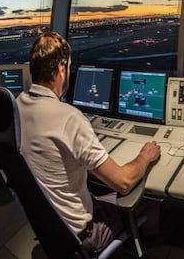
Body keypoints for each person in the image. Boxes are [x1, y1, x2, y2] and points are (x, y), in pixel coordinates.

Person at [16, 31, 161, 253]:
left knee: (99, 189)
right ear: (62, 70)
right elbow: (123, 181)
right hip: (83, 233)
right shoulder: (69, 117)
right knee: (149, 201)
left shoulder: (18, 105)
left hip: (50, 226)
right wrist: (145, 156)